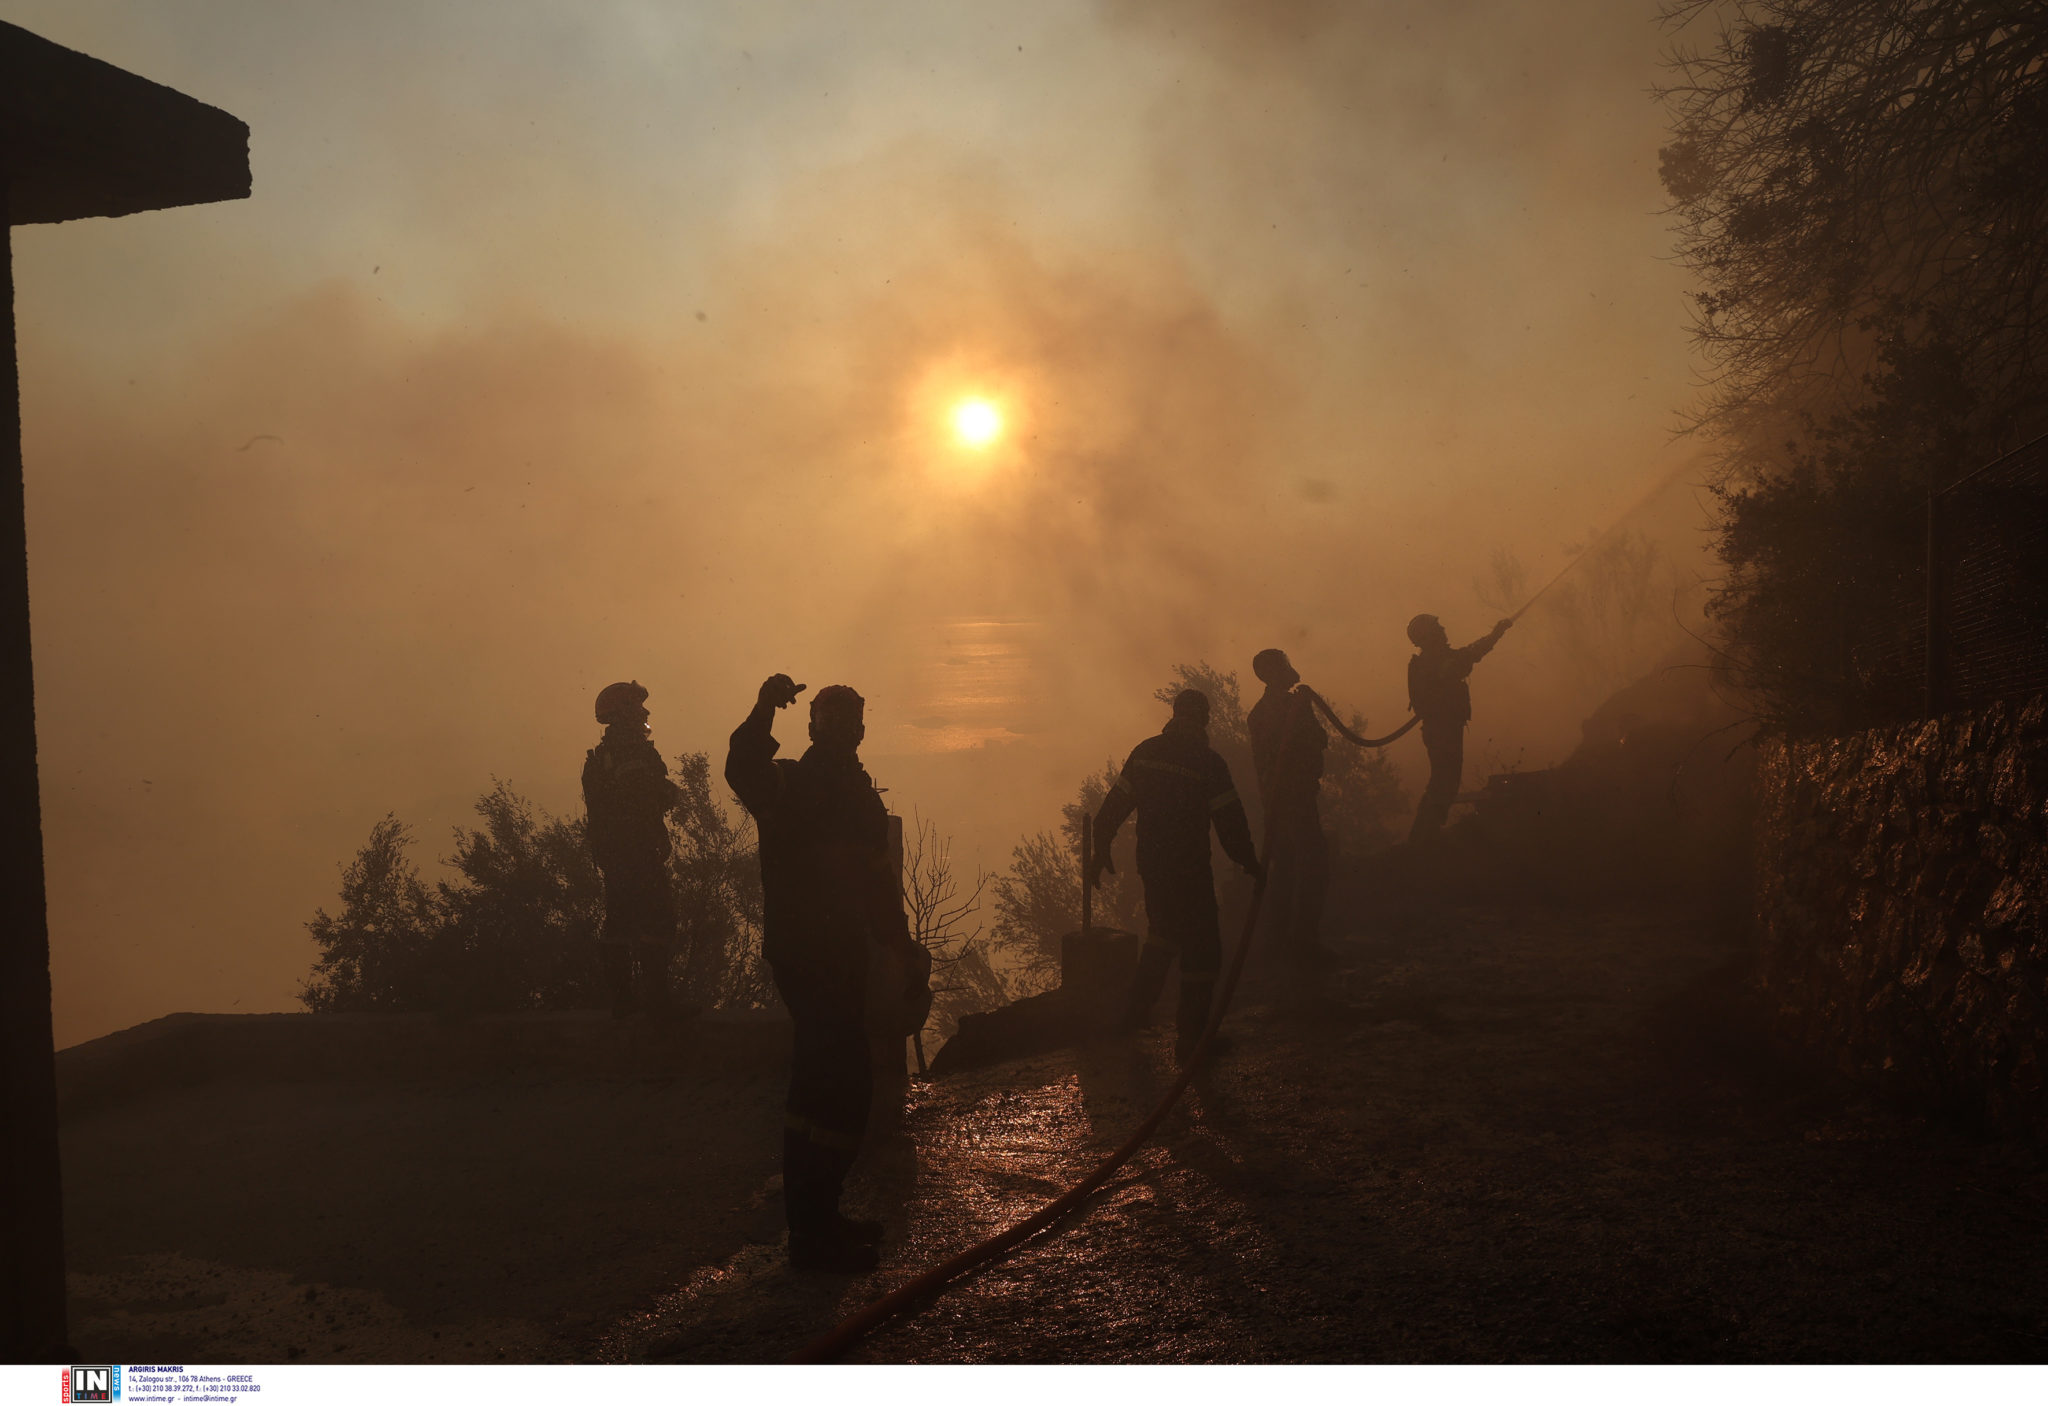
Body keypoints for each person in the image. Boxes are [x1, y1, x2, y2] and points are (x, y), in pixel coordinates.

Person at [725, 674, 926, 1274]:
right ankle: (814, 1233)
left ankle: (815, 1223)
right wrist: (762, 711)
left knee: (816, 1088)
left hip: (815, 953)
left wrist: (900, 946)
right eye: (843, 723)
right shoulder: (799, 783)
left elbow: (874, 883)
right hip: (819, 957)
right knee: (842, 1088)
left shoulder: (825, 788)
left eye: (849, 723)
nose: (848, 733)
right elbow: (743, 769)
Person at [1087, 689, 1262, 1065]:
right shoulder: (1208, 762)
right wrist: (1251, 863)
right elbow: (1230, 824)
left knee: (1163, 935)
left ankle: (1131, 1019)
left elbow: (1113, 806)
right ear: (1204, 719)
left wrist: (1100, 848)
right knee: (1203, 950)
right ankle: (1192, 1041)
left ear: (1175, 714)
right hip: (1189, 866)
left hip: (1152, 863)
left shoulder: (1146, 751)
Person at [582, 680, 681, 1019]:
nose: (645, 711)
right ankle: (657, 1002)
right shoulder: (629, 750)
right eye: (637, 706)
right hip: (635, 849)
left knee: (621, 922)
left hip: (616, 852)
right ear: (624, 712)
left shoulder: (605, 755)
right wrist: (668, 796)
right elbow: (641, 798)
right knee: (657, 919)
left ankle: (624, 1003)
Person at [1246, 649, 1337, 971]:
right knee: (1313, 863)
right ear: (1273, 671)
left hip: (1283, 801)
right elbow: (1312, 740)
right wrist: (1302, 710)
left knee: (1284, 869)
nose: (1290, 669)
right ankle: (1302, 943)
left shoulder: (1274, 708)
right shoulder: (1278, 709)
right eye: (1284, 665)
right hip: (1292, 799)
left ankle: (1279, 945)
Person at [1405, 614, 1512, 843]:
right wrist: (1496, 632)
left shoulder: (1433, 660)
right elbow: (1468, 657)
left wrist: (1496, 632)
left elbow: (1468, 654)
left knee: (1444, 782)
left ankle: (1424, 835)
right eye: (1437, 627)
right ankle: (1423, 837)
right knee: (1444, 783)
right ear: (1429, 636)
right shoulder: (1432, 662)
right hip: (1442, 732)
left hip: (1444, 729)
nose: (1443, 629)